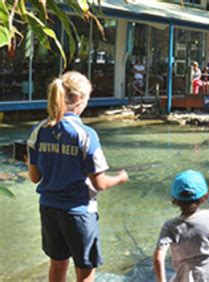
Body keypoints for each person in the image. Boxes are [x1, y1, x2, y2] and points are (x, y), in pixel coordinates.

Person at [25, 71, 129, 282]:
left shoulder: (39, 130)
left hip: (49, 209)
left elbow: (35, 177)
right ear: (80, 100)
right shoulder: (85, 134)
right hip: (79, 212)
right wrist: (120, 178)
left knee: (57, 262)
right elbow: (99, 183)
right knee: (85, 269)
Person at [154, 170, 209, 282]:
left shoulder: (170, 227)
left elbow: (158, 258)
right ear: (204, 196)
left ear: (175, 200)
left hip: (185, 277)